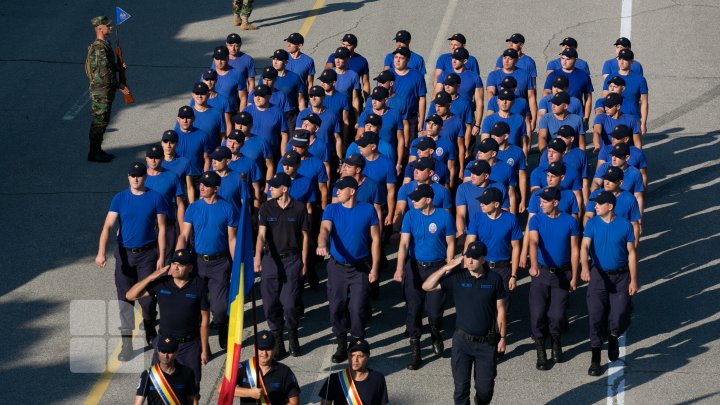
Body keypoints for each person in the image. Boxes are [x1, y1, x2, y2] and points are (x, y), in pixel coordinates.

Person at [95, 162, 167, 360]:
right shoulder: (120, 198)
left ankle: (150, 327)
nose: (136, 178)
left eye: (139, 175)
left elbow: (161, 228)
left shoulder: (155, 197)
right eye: (132, 175)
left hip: (148, 255)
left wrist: (161, 256)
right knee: (124, 300)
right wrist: (101, 252)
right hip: (125, 255)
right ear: (128, 177)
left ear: (145, 177)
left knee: (147, 298)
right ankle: (126, 344)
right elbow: (107, 226)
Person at [423, 241, 507, 405]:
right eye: (468, 256)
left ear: (483, 259)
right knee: (461, 390)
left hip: (486, 344)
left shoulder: (494, 279)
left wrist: (502, 337)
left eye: (475, 258)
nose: (470, 261)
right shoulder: (457, 277)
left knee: (485, 390)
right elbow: (427, 286)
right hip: (462, 342)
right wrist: (445, 268)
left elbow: (501, 310)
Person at [317, 176, 381, 362]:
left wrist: (374, 268)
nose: (336, 191)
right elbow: (324, 230)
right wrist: (322, 243)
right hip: (337, 267)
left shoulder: (367, 210)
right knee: (337, 306)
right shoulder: (332, 209)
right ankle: (341, 341)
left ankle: (357, 342)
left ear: (352, 191)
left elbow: (375, 240)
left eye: (341, 189)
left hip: (360, 267)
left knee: (357, 307)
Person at [126, 249, 211, 390]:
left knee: (192, 388)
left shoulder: (199, 286)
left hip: (189, 346)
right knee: (157, 386)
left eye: (181, 264)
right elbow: (130, 295)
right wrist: (151, 277)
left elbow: (204, 320)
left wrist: (204, 350)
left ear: (190, 268)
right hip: (164, 344)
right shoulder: (161, 284)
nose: (176, 267)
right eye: (174, 263)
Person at [394, 184, 456, 370]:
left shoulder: (444, 216)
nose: (412, 201)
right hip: (415, 267)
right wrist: (399, 269)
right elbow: (404, 244)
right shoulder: (410, 215)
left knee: (435, 310)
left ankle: (435, 332)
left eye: (417, 198)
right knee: (414, 309)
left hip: (437, 268)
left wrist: (449, 264)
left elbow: (450, 242)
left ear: (428, 200)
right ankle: (416, 351)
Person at [176, 171, 238, 349]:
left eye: (206, 185)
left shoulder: (227, 209)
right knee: (195, 306)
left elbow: (231, 239)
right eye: (200, 184)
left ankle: (222, 326)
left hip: (220, 264)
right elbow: (184, 235)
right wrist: (177, 260)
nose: (201, 187)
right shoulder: (193, 208)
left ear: (216, 188)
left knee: (219, 309)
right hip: (197, 263)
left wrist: (235, 266)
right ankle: (202, 344)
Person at [581, 191, 638, 376]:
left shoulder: (625, 226)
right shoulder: (592, 223)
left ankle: (613, 336)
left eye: (598, 204)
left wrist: (634, 280)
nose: (595, 206)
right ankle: (595, 358)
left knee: (620, 314)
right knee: (596, 316)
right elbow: (584, 246)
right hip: (598, 275)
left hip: (621, 277)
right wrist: (584, 267)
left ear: (610, 206)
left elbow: (631, 253)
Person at [255, 173, 310, 358]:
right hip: (271, 260)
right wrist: (257, 257)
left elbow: (305, 237)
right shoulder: (266, 207)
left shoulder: (299, 208)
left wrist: (304, 261)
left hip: (292, 260)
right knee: (270, 304)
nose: (270, 188)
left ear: (284, 189)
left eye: (274, 186)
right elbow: (261, 235)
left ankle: (293, 336)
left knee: (290, 303)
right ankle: (279, 341)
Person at [526, 187, 580, 370]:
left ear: (555, 203)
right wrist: (533, 264)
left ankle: (556, 340)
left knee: (556, 315)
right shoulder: (536, 220)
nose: (541, 204)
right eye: (540, 201)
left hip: (562, 274)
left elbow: (574, 250)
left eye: (545, 201)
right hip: (541, 273)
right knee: (537, 313)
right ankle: (540, 348)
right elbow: (533, 242)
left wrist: (574, 276)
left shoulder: (570, 222)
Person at [465, 187, 522, 326]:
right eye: (481, 202)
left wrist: (514, 275)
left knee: (501, 306)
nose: (481, 204)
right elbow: (470, 242)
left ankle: (497, 337)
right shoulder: (477, 217)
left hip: (503, 268)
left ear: (496, 204)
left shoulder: (510, 219)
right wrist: (467, 266)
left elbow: (515, 248)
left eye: (485, 202)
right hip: (482, 267)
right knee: (481, 304)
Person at [85, 16, 131, 162]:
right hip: (101, 90)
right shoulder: (99, 48)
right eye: (108, 25)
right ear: (100, 29)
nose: (110, 27)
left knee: (103, 121)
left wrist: (118, 67)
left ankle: (98, 149)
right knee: (99, 121)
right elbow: (104, 74)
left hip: (105, 89)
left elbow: (107, 67)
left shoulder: (105, 44)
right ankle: (94, 152)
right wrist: (120, 86)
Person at [145, 144, 186, 265]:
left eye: (156, 157)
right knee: (147, 264)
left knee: (165, 263)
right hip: (146, 226)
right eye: (151, 157)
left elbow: (180, 205)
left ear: (162, 158)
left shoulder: (172, 176)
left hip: (167, 226)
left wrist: (183, 232)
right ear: (146, 158)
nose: (153, 160)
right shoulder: (140, 177)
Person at [233, 331, 301, 404]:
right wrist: (249, 392)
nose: (264, 353)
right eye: (261, 349)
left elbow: (294, 402)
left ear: (274, 349)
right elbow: (221, 388)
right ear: (254, 348)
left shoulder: (284, 371)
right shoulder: (242, 367)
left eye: (268, 349)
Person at [318, 338, 389, 405]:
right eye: (352, 355)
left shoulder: (378, 379)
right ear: (348, 355)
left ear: (367, 356)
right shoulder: (334, 379)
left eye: (360, 356)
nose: (355, 360)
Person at [134, 335, 199, 405]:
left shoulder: (187, 373)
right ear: (158, 351)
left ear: (176, 352)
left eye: (170, 351)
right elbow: (138, 402)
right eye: (163, 351)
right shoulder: (148, 375)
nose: (166, 355)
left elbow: (193, 401)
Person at [584, 166, 642, 244]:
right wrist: (589, 233)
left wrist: (634, 247)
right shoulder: (595, 195)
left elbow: (634, 225)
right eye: (605, 179)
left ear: (620, 183)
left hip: (621, 242)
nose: (606, 183)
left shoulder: (630, 199)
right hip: (599, 240)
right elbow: (588, 216)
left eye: (611, 180)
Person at [601, 49, 649, 139]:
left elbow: (644, 102)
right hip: (613, 119)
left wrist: (643, 123)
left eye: (625, 59)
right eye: (620, 59)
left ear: (631, 62)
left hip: (633, 119)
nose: (621, 62)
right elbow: (604, 99)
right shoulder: (610, 78)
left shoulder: (640, 79)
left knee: (634, 148)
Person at [486, 48, 537, 131]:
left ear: (516, 60)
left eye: (510, 59)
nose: (506, 61)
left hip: (519, 110)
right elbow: (490, 93)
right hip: (500, 110)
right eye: (505, 58)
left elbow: (531, 97)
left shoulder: (525, 75)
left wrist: (534, 119)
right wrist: (496, 109)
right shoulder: (493, 75)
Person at [543, 48, 594, 129]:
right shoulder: (553, 75)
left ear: (575, 60)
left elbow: (588, 99)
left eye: (568, 59)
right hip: (556, 115)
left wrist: (586, 118)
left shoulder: (583, 76)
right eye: (562, 58)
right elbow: (546, 93)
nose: (564, 61)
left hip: (575, 115)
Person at [390, 46, 427, 144]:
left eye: (401, 58)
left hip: (410, 118)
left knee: (409, 147)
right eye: (396, 57)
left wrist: (421, 120)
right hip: (390, 116)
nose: (397, 60)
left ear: (408, 60)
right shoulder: (387, 74)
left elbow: (422, 98)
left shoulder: (417, 76)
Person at [324, 33, 371, 99]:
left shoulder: (362, 61)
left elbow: (365, 82)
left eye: (348, 45)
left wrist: (368, 101)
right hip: (335, 97)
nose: (345, 47)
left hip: (354, 97)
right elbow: (328, 69)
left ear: (355, 46)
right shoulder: (334, 56)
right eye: (343, 44)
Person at [161, 130, 196, 203]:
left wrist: (192, 207)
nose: (168, 145)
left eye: (172, 142)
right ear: (162, 143)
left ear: (177, 144)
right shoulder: (156, 162)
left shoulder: (184, 162)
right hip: (161, 203)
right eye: (165, 142)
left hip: (178, 203)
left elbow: (189, 187)